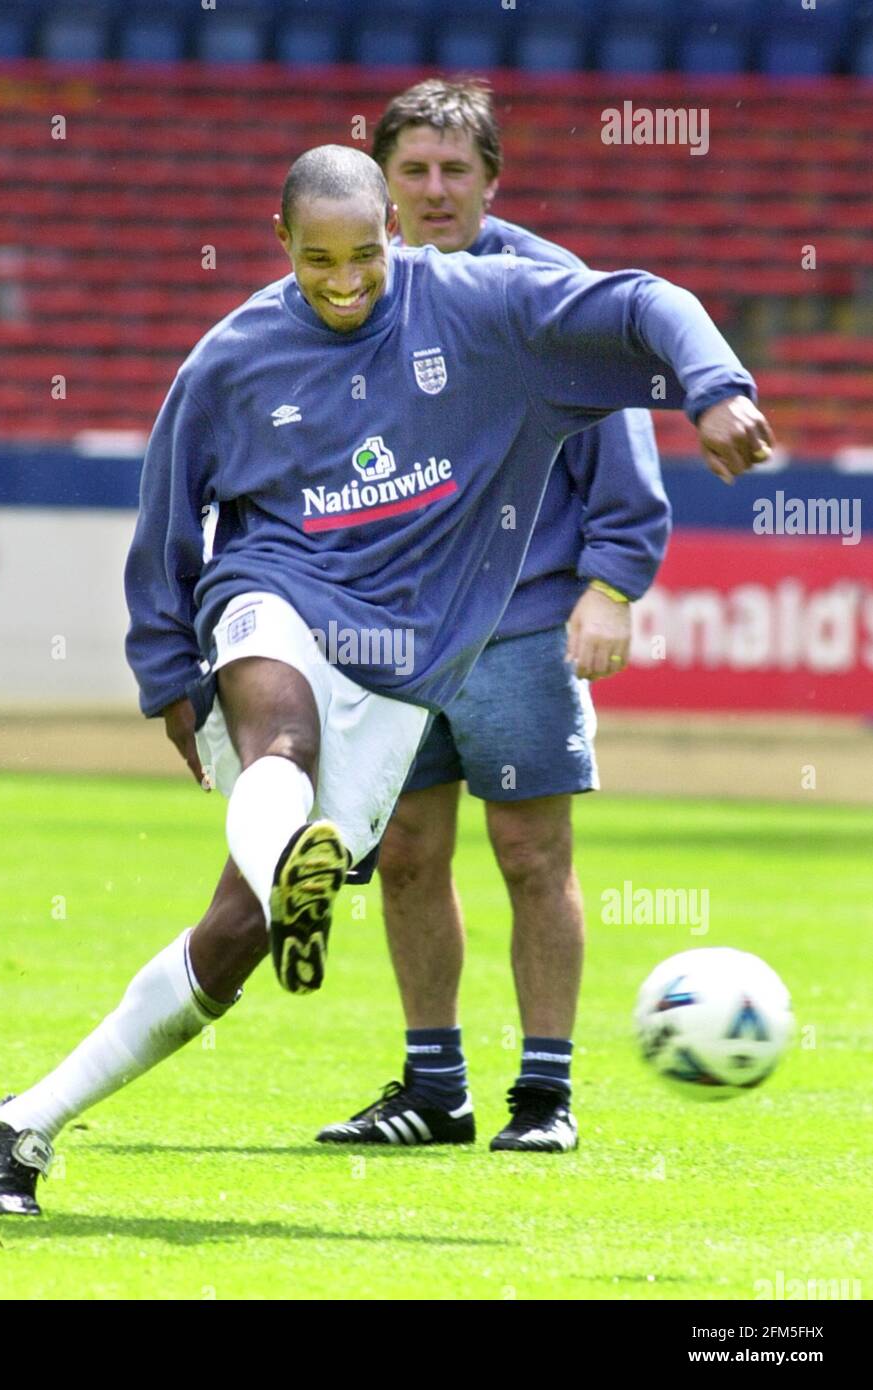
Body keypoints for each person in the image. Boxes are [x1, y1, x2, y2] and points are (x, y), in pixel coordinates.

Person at [0, 144, 773, 1214]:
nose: (343, 283)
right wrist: (166, 666)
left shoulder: (482, 310)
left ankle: (20, 1124)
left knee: (232, 939)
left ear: (391, 228)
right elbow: (166, 512)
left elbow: (641, 301)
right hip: (271, 595)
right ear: (279, 243)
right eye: (317, 262)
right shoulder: (231, 356)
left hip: (401, 672)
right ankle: (294, 867)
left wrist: (712, 390)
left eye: (362, 258)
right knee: (280, 743)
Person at [317, 79, 668, 1155]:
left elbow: (622, 446)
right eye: (408, 173)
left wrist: (609, 584)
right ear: (376, 186)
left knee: (529, 851)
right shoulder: (341, 295)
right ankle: (434, 1090)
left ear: (489, 180)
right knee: (411, 852)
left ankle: (544, 1095)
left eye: (451, 171)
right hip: (388, 633)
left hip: (517, 623)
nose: (430, 191)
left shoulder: (547, 290)